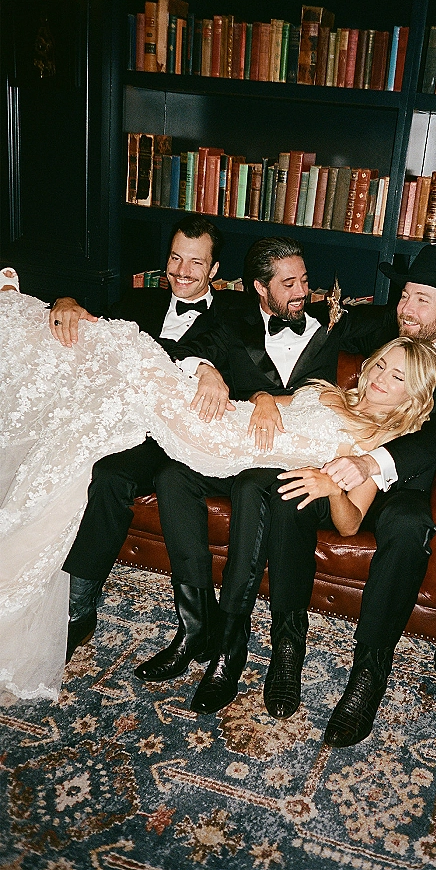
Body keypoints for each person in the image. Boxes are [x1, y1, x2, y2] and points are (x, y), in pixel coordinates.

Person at [0, 287, 436, 703]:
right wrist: (265, 399)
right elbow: (271, 400)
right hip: (228, 425)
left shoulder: (377, 445)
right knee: (159, 449)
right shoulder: (329, 393)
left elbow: (349, 522)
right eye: (381, 365)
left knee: (130, 362)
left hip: (232, 450)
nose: (380, 377)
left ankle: (229, 644)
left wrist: (331, 486)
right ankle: (194, 629)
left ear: (412, 394)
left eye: (397, 376)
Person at [136, 235, 395, 713]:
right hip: (237, 453)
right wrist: (210, 371)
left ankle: (230, 651)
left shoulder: (333, 327)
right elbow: (184, 350)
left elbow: (403, 331)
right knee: (172, 475)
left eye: (305, 281)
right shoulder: (234, 319)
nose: (302, 291)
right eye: (289, 284)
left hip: (282, 467)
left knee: (258, 484)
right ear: (260, 288)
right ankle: (193, 627)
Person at [261, 243, 436, 748]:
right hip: (343, 451)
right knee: (290, 490)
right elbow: (304, 332)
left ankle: (368, 672)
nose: (407, 310)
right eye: (405, 295)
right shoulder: (380, 327)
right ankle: (287, 641)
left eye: (423, 300)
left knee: (409, 524)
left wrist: (371, 463)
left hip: (404, 484)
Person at [48, 213, 247, 667]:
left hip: (174, 434)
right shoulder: (137, 300)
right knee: (60, 454)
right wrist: (65, 300)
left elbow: (225, 354)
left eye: (196, 263)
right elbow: (86, 318)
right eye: (175, 258)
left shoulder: (234, 314)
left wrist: (207, 368)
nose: (181, 272)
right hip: (117, 418)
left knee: (111, 474)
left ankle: (78, 611)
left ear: (215, 271)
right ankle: (60, 589)